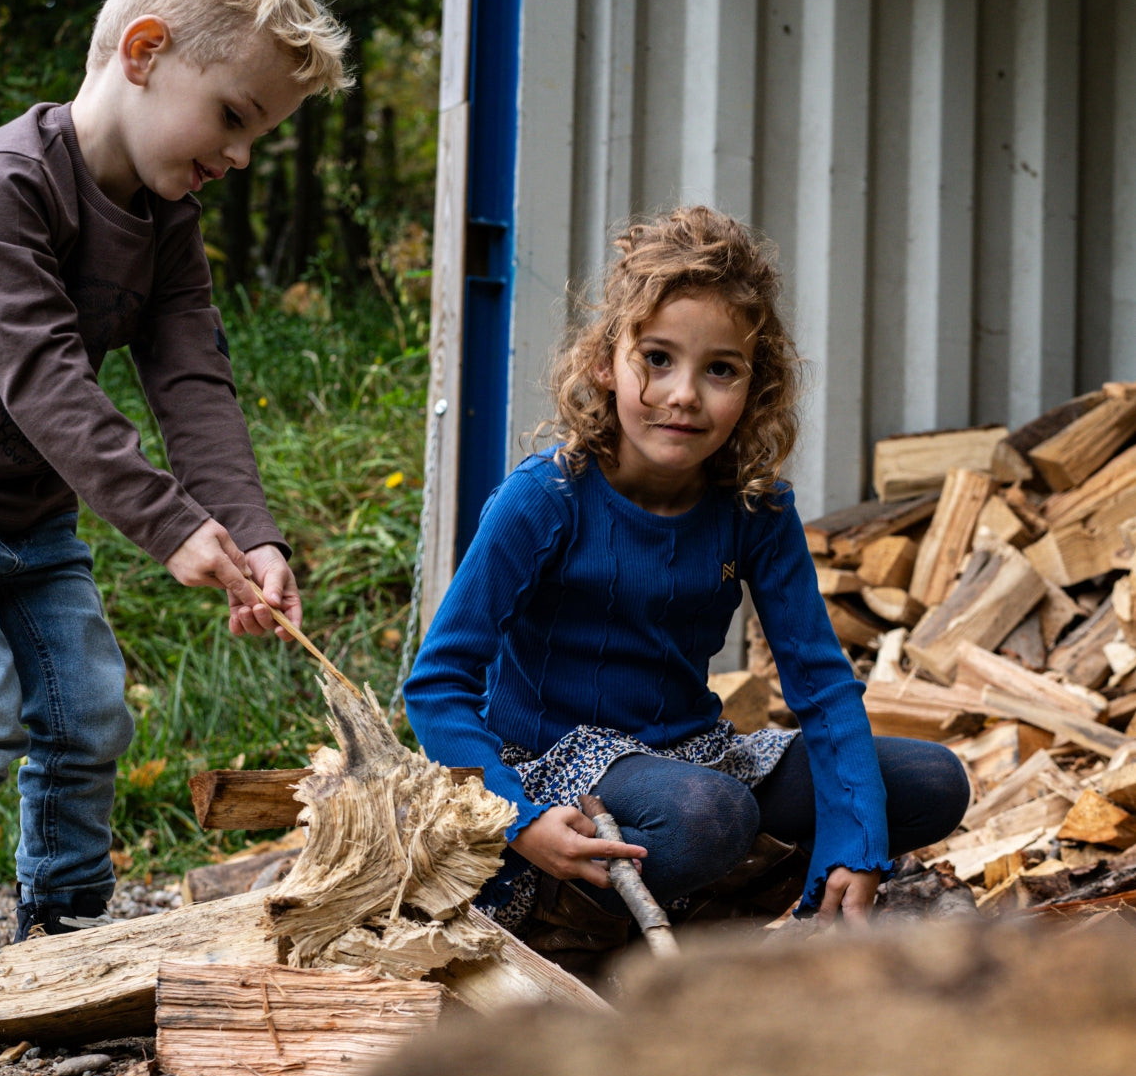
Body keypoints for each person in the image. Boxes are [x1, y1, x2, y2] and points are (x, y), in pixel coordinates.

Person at [0, 0, 349, 1059]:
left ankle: (63, 930)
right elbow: (42, 380)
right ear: (144, 53)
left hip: (31, 519)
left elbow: (193, 378)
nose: (238, 156)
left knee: (88, 704)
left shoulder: (162, 217)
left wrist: (249, 530)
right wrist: (166, 524)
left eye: (257, 137)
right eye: (233, 116)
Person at [404, 206, 970, 966]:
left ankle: (721, 920)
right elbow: (437, 685)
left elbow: (823, 686)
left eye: (720, 370)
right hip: (547, 768)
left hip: (687, 756)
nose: (683, 395)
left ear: (755, 387)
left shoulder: (753, 509)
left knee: (931, 781)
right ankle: (569, 929)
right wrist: (519, 818)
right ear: (607, 362)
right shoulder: (547, 499)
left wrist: (856, 842)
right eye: (658, 359)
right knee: (711, 816)